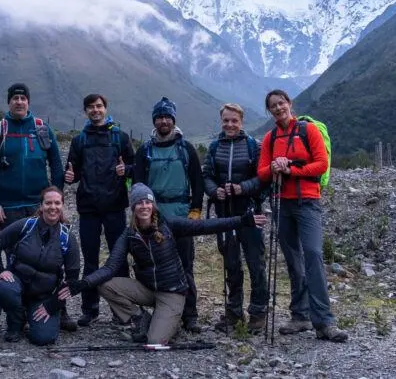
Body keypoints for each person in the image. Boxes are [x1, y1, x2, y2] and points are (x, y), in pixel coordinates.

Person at [67, 184, 266, 345]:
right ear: (133, 208)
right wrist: (84, 284)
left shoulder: (169, 225)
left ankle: (169, 321)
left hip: (172, 292)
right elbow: (110, 268)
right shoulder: (128, 235)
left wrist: (242, 221)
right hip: (147, 289)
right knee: (105, 284)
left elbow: (205, 226)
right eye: (139, 203)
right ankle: (140, 319)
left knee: (154, 342)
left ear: (153, 206)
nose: (144, 206)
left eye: (148, 202)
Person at [0, 83, 75, 331]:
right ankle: (19, 309)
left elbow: (56, 163)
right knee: (15, 258)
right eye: (15, 98)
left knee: (53, 257)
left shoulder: (42, 129)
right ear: (9, 102)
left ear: (29, 102)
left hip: (39, 206)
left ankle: (59, 307)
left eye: (23, 98)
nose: (19, 102)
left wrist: (54, 198)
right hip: (9, 206)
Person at [257, 89, 348, 343]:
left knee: (314, 255)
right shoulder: (270, 137)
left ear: (290, 103)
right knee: (293, 260)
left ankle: (325, 321)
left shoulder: (309, 131)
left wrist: (292, 169)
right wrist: (274, 167)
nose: (278, 108)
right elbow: (262, 172)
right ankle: (300, 315)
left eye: (281, 103)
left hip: (308, 202)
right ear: (269, 110)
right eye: (273, 106)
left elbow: (322, 165)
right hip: (281, 205)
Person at [133, 96, 204, 333]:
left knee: (185, 265)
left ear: (173, 120)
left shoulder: (186, 149)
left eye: (167, 117)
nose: (163, 121)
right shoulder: (145, 150)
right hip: (153, 215)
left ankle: (190, 314)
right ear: (155, 121)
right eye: (159, 117)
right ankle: (161, 310)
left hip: (182, 215)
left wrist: (195, 209)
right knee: (155, 264)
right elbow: (138, 185)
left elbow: (197, 181)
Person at [64, 93, 135, 326]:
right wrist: (70, 176)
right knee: (91, 259)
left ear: (106, 108)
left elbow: (134, 168)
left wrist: (128, 170)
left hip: (115, 206)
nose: (95, 110)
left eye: (99, 106)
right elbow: (72, 174)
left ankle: (122, 309)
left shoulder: (121, 137)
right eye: (91, 107)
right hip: (89, 209)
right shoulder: (79, 141)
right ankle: (90, 309)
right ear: (85, 111)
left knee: (120, 259)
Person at [202, 103, 268, 333]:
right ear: (222, 121)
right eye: (226, 120)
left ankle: (258, 313)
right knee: (231, 265)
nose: (230, 124)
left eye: (234, 121)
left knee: (255, 263)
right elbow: (207, 176)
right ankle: (234, 313)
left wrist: (242, 188)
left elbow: (263, 179)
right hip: (224, 215)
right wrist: (214, 191)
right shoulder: (214, 147)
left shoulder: (253, 147)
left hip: (250, 213)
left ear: (242, 122)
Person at [0, 186, 81, 345]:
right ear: (41, 206)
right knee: (2, 287)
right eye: (48, 203)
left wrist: (52, 305)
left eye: (57, 203)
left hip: (44, 295)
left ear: (62, 206)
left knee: (44, 338)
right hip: (16, 284)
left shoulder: (67, 238)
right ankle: (16, 321)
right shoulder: (26, 225)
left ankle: (41, 315)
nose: (52, 207)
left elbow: (71, 282)